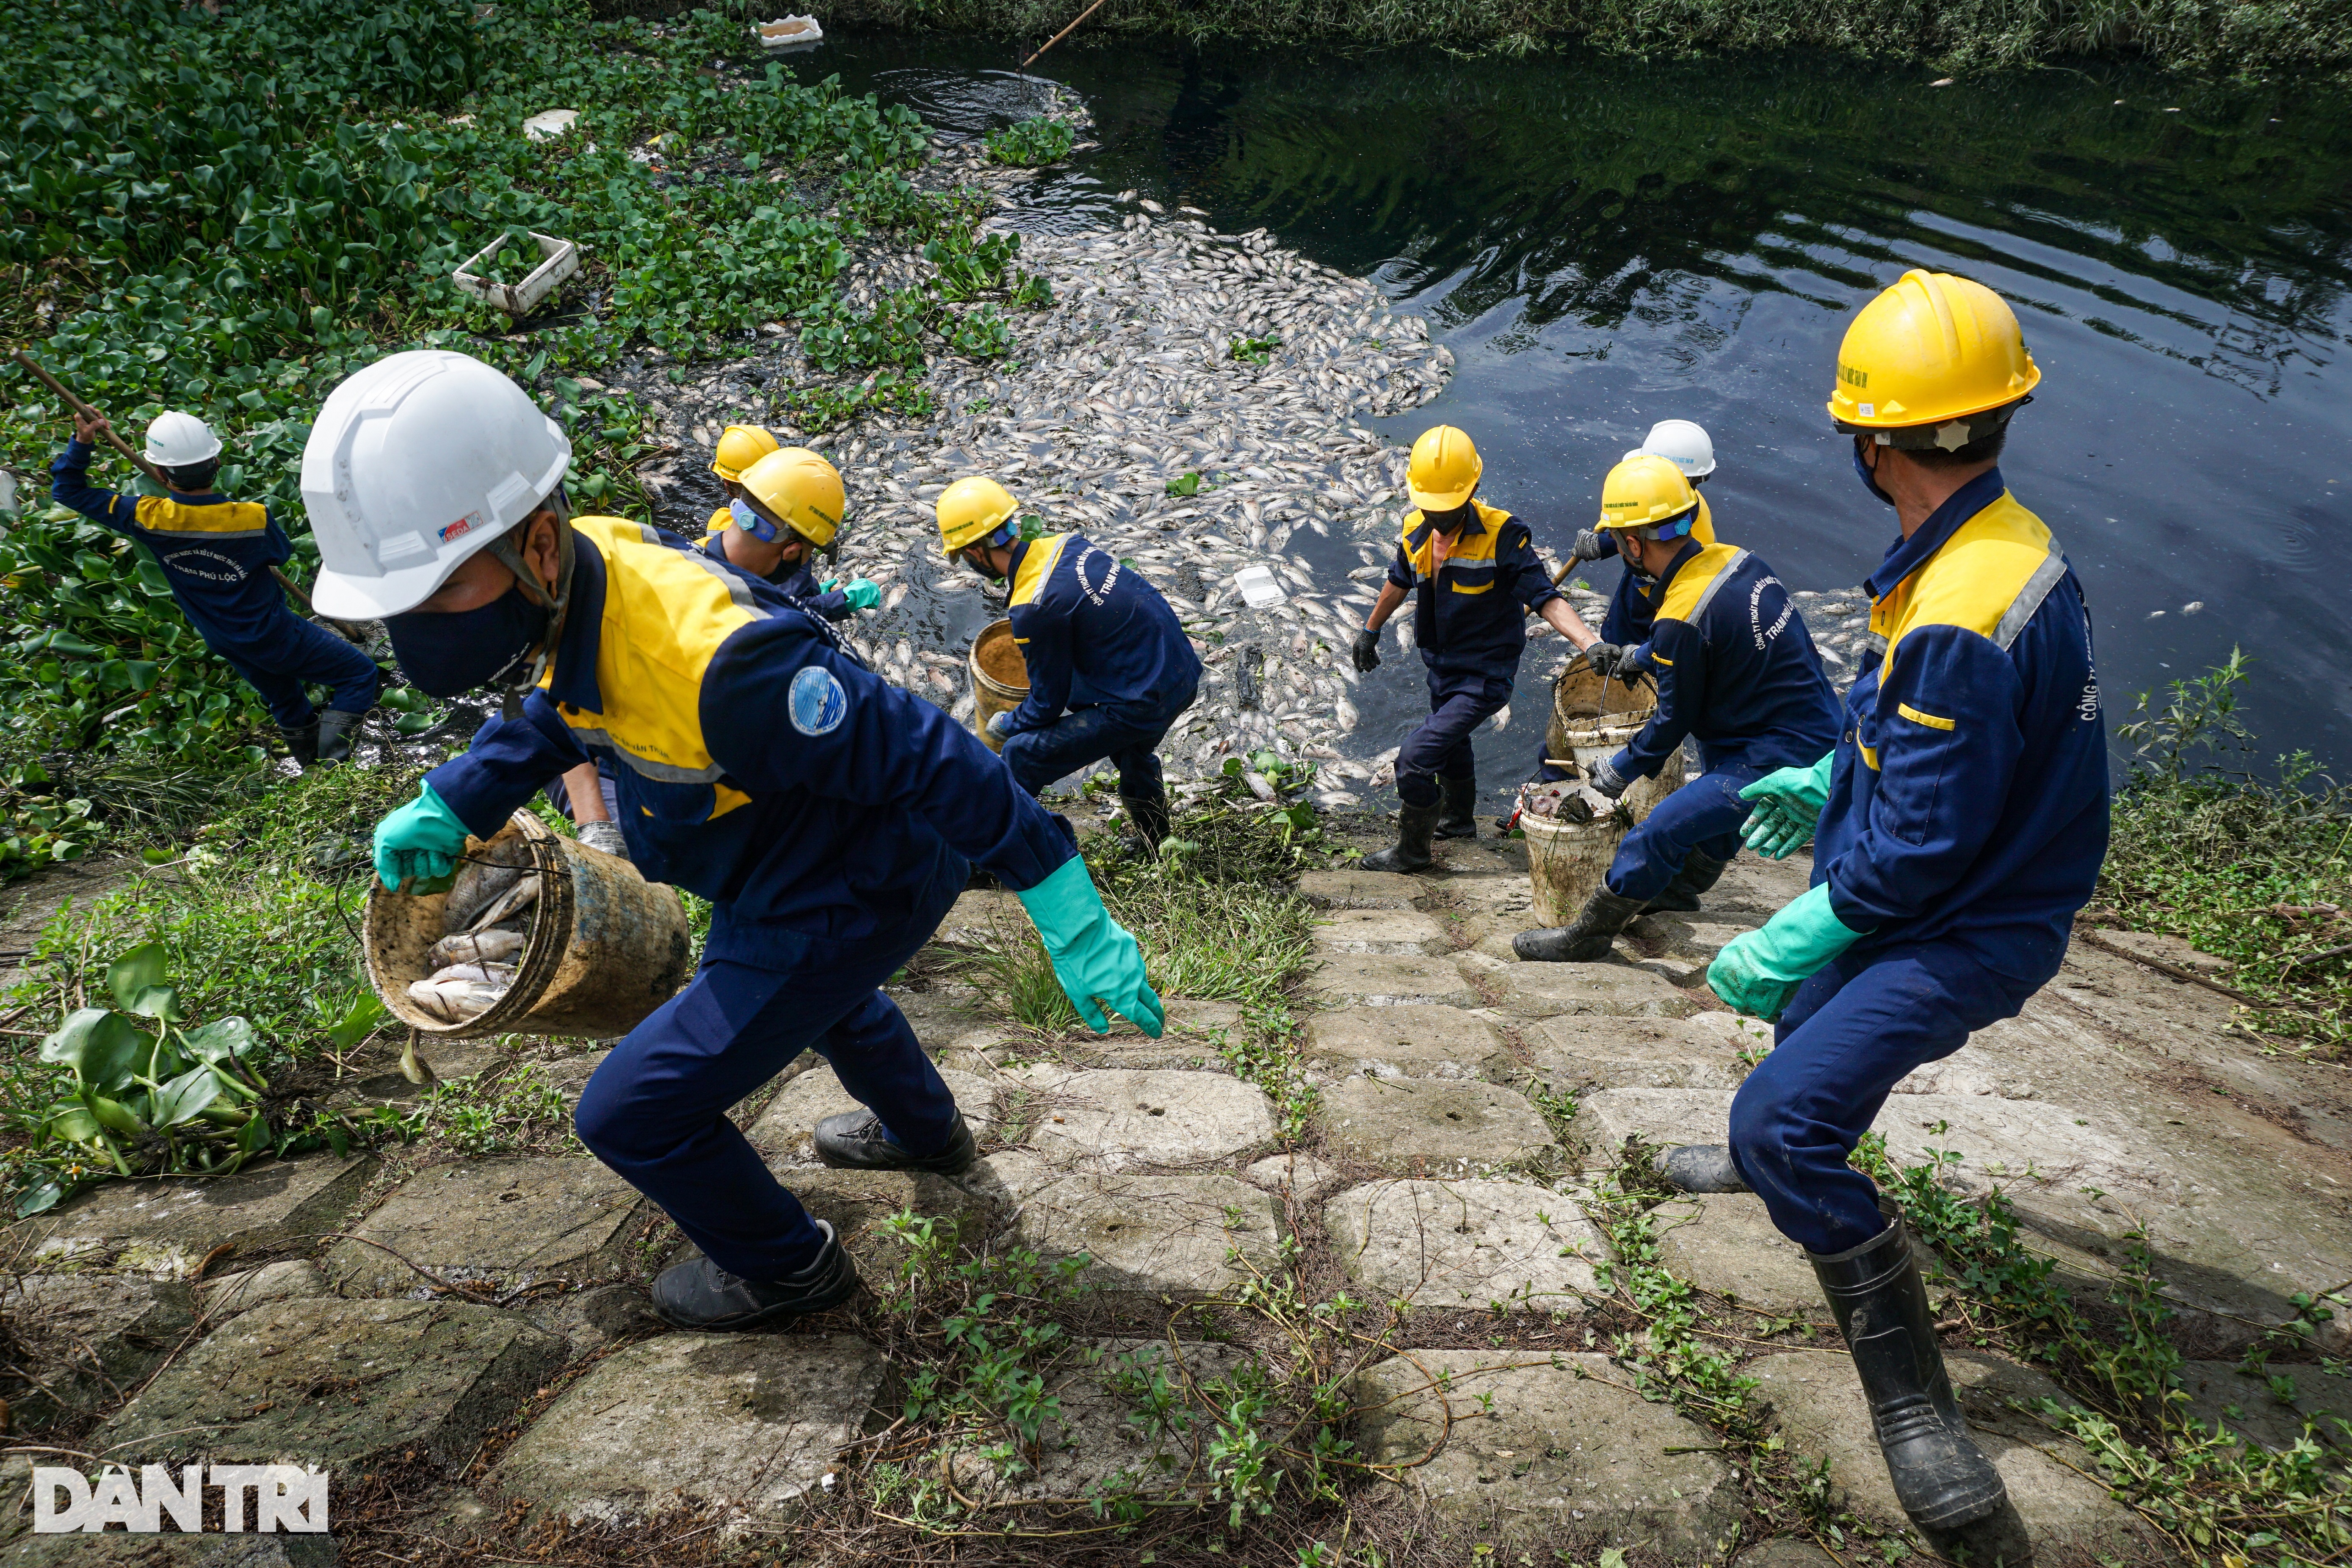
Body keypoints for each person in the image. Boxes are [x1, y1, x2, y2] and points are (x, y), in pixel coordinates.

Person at [305, 349, 1163, 1330]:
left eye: (436, 593)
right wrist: (455, 800)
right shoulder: (586, 560)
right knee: (838, 1005)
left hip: (846, 887)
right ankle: (929, 1136)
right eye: (396, 606)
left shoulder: (725, 667)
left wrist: (1065, 907)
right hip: (779, 864)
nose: (417, 631)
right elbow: (563, 711)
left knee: (629, 1112)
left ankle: (790, 1269)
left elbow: (938, 757)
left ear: (535, 546)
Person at [1678, 269, 2108, 1535]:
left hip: (1968, 920)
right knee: (1805, 1033)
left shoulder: (1965, 608)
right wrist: (1831, 768)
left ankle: (1916, 1404)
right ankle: (1779, 1143)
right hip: (1945, 879)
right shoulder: (1991, 546)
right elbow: (1920, 730)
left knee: (1781, 1119)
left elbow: (1916, 856)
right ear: (1991, 420)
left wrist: (1796, 922)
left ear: (1874, 443)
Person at [1514, 455, 1840, 960]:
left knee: (1658, 829)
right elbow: (1700, 640)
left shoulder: (1679, 617)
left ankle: (1587, 937)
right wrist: (1636, 656)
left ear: (1633, 543)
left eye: (1619, 539)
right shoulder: (1738, 561)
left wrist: (1615, 773)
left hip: (1782, 756)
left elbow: (1671, 724)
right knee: (1713, 784)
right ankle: (1680, 890)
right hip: (1808, 726)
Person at [51, 410, 380, 766]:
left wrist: (82, 444)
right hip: (274, 634)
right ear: (218, 461)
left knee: (284, 698)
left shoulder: (147, 516)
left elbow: (68, 490)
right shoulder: (251, 517)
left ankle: (312, 767)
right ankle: (334, 764)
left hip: (224, 638)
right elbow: (281, 554)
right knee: (358, 673)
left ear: (161, 474)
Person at [1350, 424, 1599, 870]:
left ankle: (1413, 851)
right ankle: (1458, 822)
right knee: (1452, 746)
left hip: (1484, 676)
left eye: (1446, 509)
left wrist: (1589, 642)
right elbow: (1398, 579)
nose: (1438, 518)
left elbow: (1545, 597)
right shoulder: (1414, 529)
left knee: (1414, 759)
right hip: (1440, 665)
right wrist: (1370, 630)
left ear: (1474, 490)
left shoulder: (1505, 535)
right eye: (1429, 507)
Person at [937, 477, 1201, 857]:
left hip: (1145, 697)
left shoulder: (1032, 606)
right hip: (1178, 668)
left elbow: (1046, 703)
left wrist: (1004, 725)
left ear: (976, 552)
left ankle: (1000, 856)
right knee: (1131, 752)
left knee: (1022, 755)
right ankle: (1156, 842)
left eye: (963, 555)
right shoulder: (1064, 544)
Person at [703, 441, 880, 621]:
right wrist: (842, 600)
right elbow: (785, 609)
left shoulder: (691, 550)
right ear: (793, 552)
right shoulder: (751, 624)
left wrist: (813, 590)